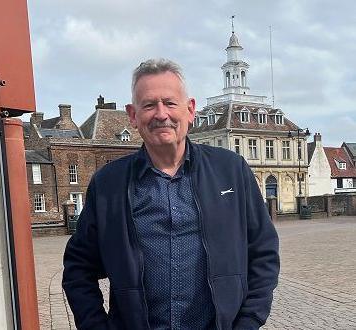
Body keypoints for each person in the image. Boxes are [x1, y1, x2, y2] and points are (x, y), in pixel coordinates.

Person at [62, 58, 280, 330]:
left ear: (190, 110)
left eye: (170, 102)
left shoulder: (230, 170)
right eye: (149, 105)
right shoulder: (109, 184)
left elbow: (263, 252)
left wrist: (247, 322)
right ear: (133, 114)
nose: (161, 114)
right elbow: (78, 267)